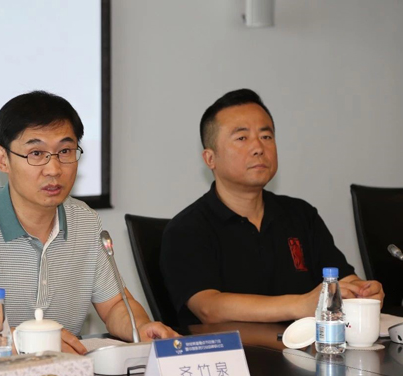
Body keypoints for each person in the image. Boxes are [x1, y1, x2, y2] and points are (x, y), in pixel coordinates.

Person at [0, 91, 177, 355]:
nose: (54, 169)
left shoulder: (86, 221)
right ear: (3, 159)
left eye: (65, 151)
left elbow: (115, 306)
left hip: (60, 374)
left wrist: (141, 328)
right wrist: (29, 342)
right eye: (36, 153)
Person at [160, 88, 384, 327]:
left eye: (266, 136)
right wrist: (300, 305)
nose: (258, 147)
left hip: (306, 347)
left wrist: (362, 291)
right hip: (236, 350)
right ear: (210, 158)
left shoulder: (300, 214)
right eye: (242, 138)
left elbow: (341, 280)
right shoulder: (187, 229)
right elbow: (209, 307)